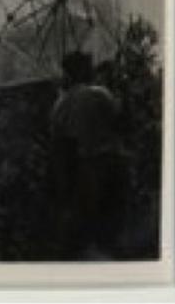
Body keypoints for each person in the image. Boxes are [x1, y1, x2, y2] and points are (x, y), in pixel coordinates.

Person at [50, 51, 127, 260]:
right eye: (89, 66)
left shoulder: (60, 104)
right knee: (111, 224)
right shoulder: (100, 94)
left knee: (86, 226)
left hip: (81, 168)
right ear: (83, 70)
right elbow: (120, 121)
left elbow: (59, 145)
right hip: (110, 163)